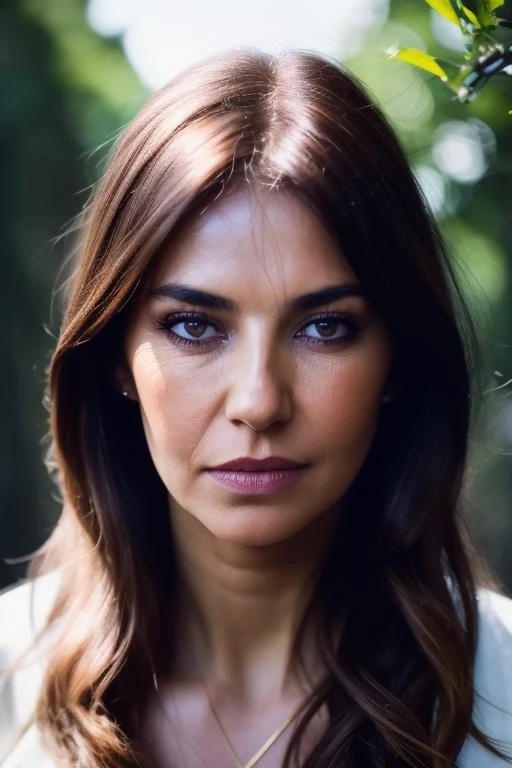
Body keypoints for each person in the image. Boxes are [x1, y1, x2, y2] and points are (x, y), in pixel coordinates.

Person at [0, 48, 511, 768]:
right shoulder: (10, 683)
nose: (259, 402)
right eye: (194, 325)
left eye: (325, 327)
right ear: (118, 356)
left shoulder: (503, 692)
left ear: (399, 357)